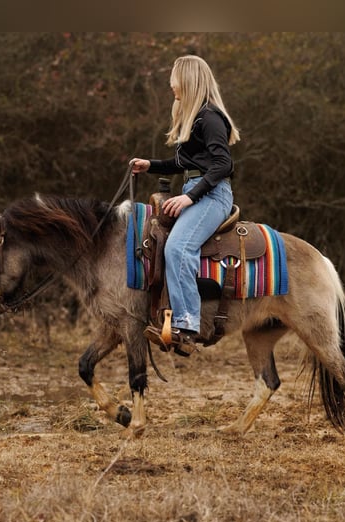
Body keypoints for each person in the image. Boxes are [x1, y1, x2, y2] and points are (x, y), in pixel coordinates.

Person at [130, 54, 240, 356]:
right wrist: (149, 165)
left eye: (174, 80)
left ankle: (187, 325)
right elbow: (182, 163)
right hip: (197, 188)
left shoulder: (210, 117)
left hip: (212, 195)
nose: (171, 86)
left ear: (188, 81)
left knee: (178, 248)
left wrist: (191, 196)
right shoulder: (195, 119)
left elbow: (223, 164)